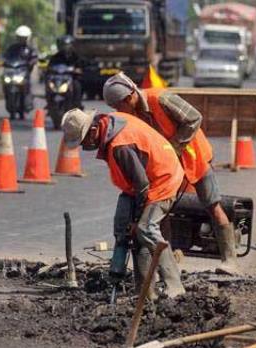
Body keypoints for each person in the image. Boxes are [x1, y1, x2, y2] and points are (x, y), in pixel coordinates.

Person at [102, 72, 237, 263]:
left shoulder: (161, 98)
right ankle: (169, 260)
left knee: (212, 205)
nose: (119, 111)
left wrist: (174, 145)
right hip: (166, 168)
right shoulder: (133, 116)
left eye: (119, 105)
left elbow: (194, 118)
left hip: (194, 157)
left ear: (130, 96)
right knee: (160, 211)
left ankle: (230, 260)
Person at [61, 108, 186, 299]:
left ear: (93, 130)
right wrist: (129, 224)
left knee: (145, 229)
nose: (84, 146)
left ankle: (175, 286)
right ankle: (144, 291)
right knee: (124, 230)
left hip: (162, 178)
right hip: (139, 184)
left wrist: (136, 220)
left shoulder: (120, 145)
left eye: (84, 141)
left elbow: (142, 185)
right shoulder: (109, 125)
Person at [3, 25, 38, 111]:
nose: (22, 39)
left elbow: (34, 58)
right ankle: (8, 99)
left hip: (24, 72)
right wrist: (3, 61)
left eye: (24, 38)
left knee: (27, 87)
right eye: (20, 37)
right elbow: (6, 56)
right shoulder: (12, 48)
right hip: (13, 72)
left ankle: (27, 102)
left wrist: (32, 62)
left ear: (28, 38)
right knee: (5, 83)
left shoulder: (30, 49)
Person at [48, 35, 83, 108]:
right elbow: (50, 66)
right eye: (64, 45)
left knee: (77, 85)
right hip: (58, 77)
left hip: (71, 78)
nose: (65, 47)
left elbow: (81, 65)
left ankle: (77, 104)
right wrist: (49, 69)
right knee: (49, 83)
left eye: (67, 45)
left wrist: (78, 70)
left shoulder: (75, 56)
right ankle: (49, 101)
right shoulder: (56, 57)